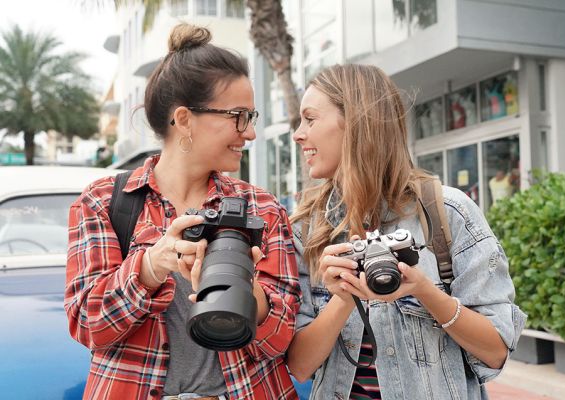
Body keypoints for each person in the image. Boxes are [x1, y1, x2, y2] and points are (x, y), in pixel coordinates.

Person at [65, 23, 300, 400]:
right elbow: (87, 325)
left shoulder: (262, 209)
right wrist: (151, 267)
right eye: (238, 116)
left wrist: (241, 284)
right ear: (185, 118)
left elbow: (281, 338)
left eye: (251, 117)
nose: (250, 133)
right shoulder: (104, 201)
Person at [286, 64, 526, 399]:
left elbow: (495, 351)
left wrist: (426, 292)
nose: (297, 133)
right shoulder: (307, 229)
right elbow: (299, 366)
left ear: (356, 123)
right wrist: (343, 298)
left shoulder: (446, 212)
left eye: (310, 119)